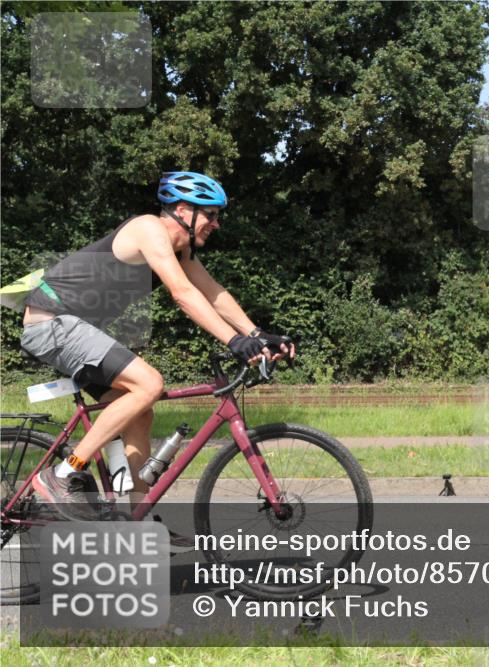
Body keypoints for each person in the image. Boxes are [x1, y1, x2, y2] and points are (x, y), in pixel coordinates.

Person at [20, 172, 294, 545]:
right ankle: (63, 475)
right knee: (150, 383)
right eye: (211, 215)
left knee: (140, 411)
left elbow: (212, 293)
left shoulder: (181, 250)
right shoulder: (149, 229)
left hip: (76, 328)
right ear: (183, 210)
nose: (216, 224)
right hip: (51, 322)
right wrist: (233, 341)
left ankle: (135, 519)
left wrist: (256, 335)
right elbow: (183, 294)